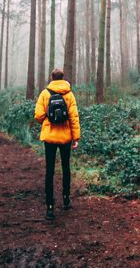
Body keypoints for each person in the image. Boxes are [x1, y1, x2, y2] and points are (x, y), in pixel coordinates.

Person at [34, 68, 81, 220]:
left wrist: (47, 117)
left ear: (52, 78)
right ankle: (66, 199)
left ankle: (49, 207)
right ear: (63, 78)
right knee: (66, 168)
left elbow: (38, 115)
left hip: (49, 138)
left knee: (50, 171)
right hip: (66, 137)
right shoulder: (69, 94)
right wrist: (76, 138)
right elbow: (74, 117)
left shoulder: (45, 93)